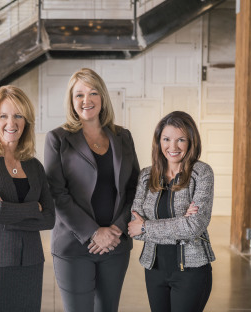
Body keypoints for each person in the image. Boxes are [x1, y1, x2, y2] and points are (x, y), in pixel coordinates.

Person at [44, 68, 140, 312]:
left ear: (102, 97)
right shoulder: (58, 139)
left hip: (115, 244)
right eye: (79, 95)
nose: (86, 100)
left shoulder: (123, 136)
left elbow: (134, 188)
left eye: (93, 93)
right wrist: (94, 232)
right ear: (71, 101)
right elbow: (57, 193)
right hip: (74, 246)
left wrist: (116, 229)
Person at [0, 85, 55, 312]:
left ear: (27, 122)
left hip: (30, 263)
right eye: (3, 116)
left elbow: (50, 219)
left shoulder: (34, 166)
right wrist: (34, 207)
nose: (11, 123)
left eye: (18, 116)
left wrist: (7, 208)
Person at [128, 111, 215, 312]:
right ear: (159, 142)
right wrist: (179, 223)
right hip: (154, 269)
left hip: (191, 271)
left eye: (181, 140)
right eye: (166, 139)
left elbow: (194, 227)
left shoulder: (201, 174)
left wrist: (146, 226)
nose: (172, 147)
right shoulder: (146, 176)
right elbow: (133, 229)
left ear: (191, 142)